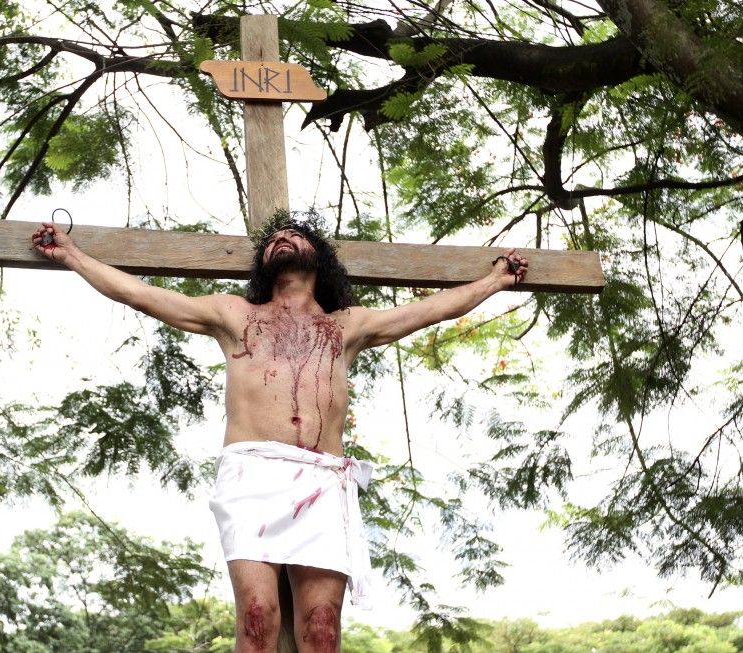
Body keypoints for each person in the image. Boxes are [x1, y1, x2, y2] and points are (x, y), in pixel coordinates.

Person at [32, 212, 528, 653]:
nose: (282, 240)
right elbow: (142, 294)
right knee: (257, 619)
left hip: (322, 480)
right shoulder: (234, 315)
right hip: (252, 473)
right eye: (274, 238)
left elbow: (430, 310)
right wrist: (72, 255)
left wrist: (495, 281)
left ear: (320, 260)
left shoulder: (347, 326)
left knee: (321, 628)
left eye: (294, 235)